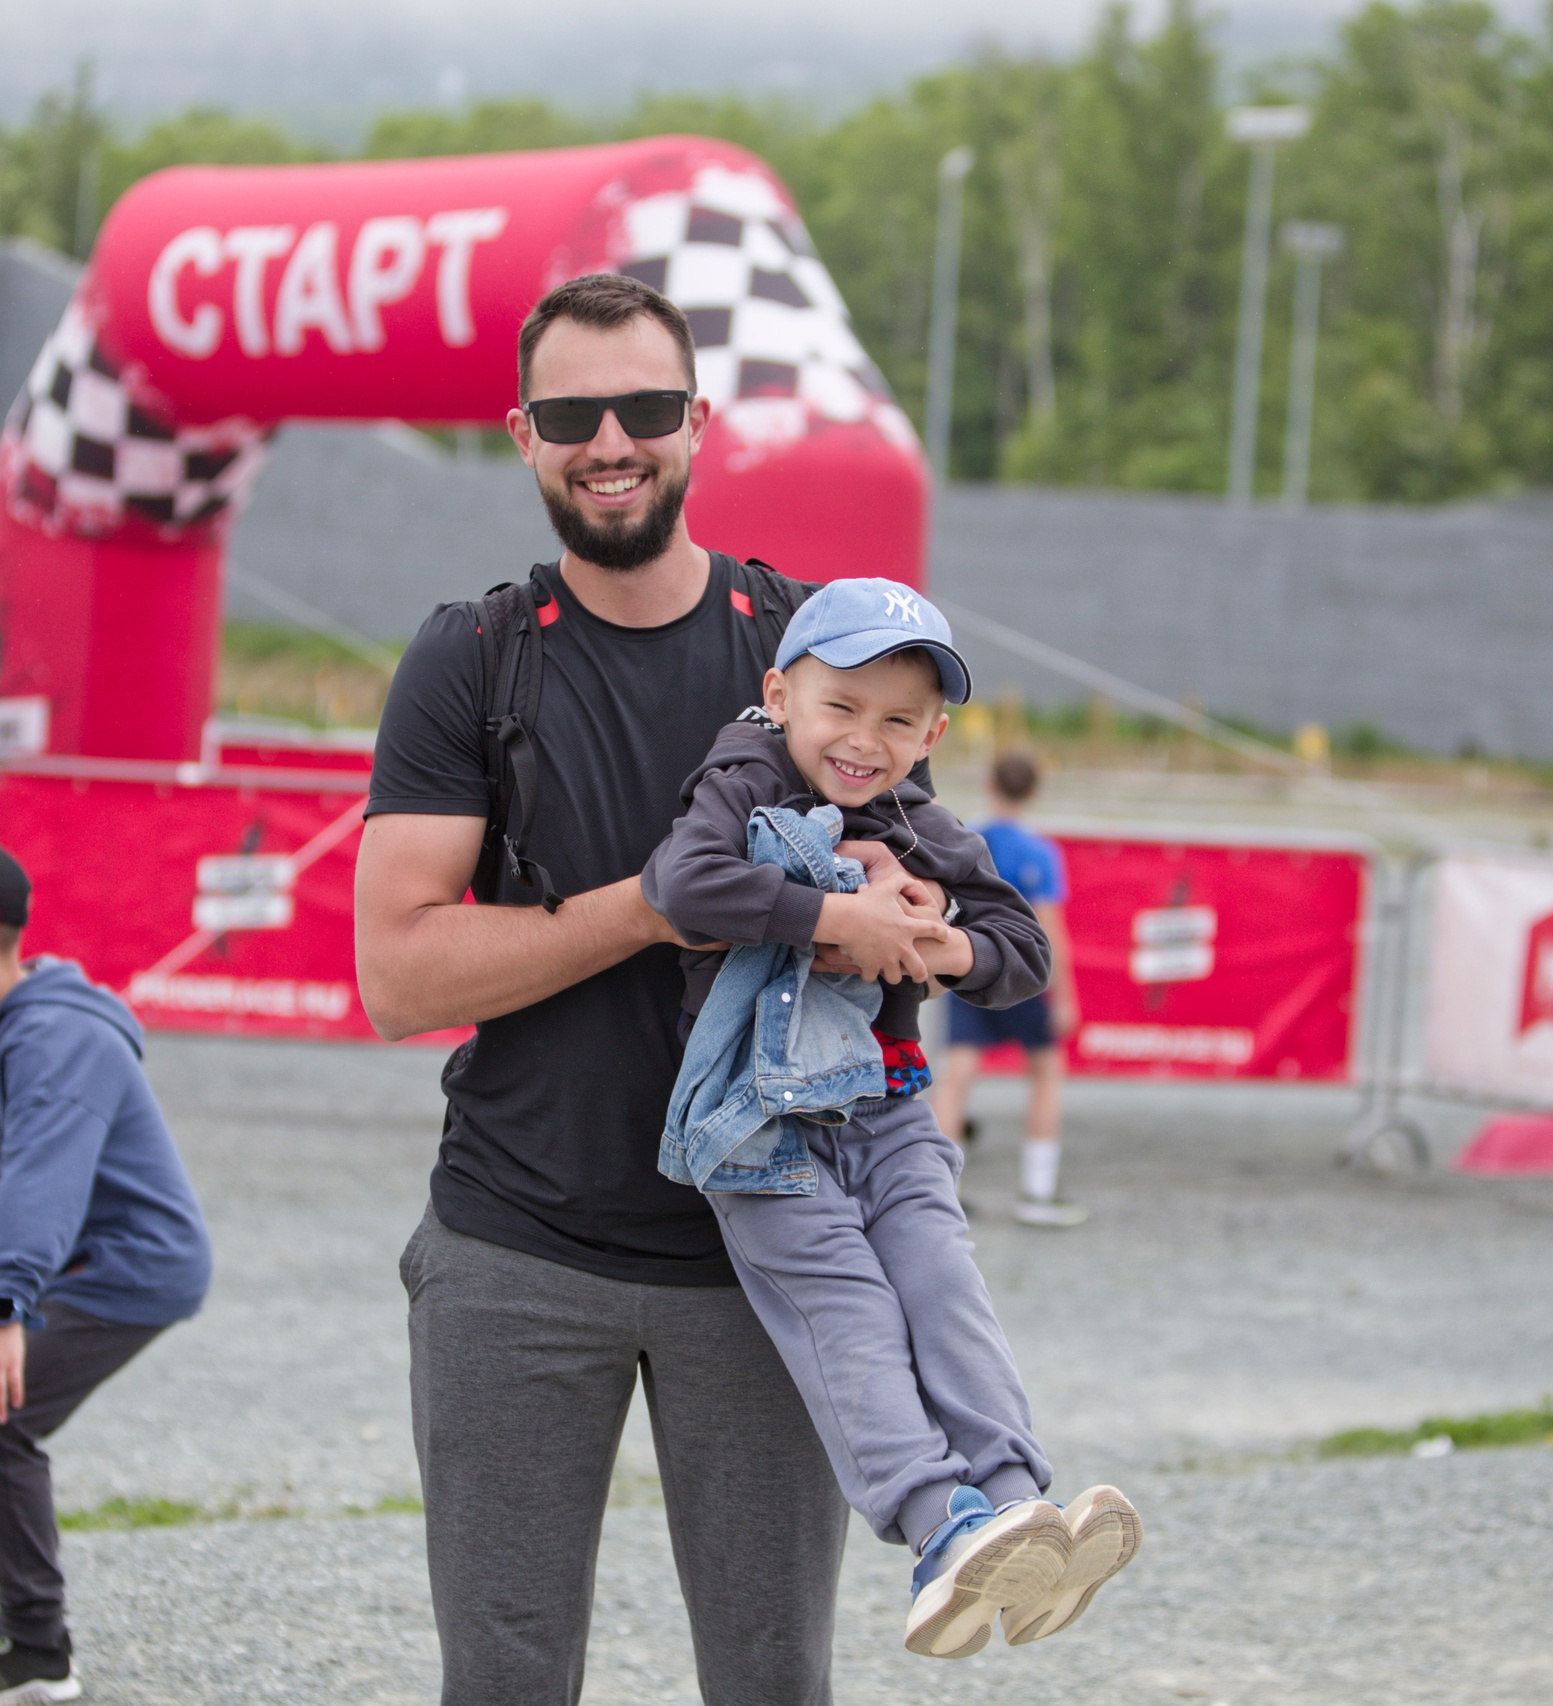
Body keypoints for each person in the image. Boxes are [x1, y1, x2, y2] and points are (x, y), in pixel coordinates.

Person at [355, 273, 942, 1703]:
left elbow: (914, 916)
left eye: (644, 408)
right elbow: (396, 971)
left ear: (698, 423)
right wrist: (656, 907)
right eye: (571, 413)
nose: (609, 439)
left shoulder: (818, 649)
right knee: (502, 1678)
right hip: (514, 1246)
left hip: (771, 1257)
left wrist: (898, 922)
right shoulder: (472, 657)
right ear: (520, 433)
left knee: (769, 1675)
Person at [644, 581, 1141, 1658]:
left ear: (935, 733)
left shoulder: (924, 819)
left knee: (941, 1280)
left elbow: (1023, 951)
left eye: (899, 719)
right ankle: (938, 1523)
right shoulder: (742, 776)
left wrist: (942, 935)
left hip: (894, 1108)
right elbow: (682, 883)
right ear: (780, 693)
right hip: (765, 1123)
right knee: (851, 1306)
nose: (867, 740)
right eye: (843, 706)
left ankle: (1015, 1504)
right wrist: (836, 914)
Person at [0, 849, 212, 1706]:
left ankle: (39, 1649)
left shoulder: (57, 1038)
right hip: (84, 1260)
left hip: (134, 1266)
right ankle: (18, 1621)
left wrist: (5, 1310)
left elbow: (44, 1176)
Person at [932, 750, 1088, 1226]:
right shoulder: (1041, 852)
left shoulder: (964, 838)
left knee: (956, 1076)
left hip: (971, 964)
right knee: (1045, 1072)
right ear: (1035, 791)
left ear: (989, 784)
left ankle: (941, 1192)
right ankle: (1036, 1192)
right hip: (1022, 975)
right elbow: (1051, 933)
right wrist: (1067, 995)